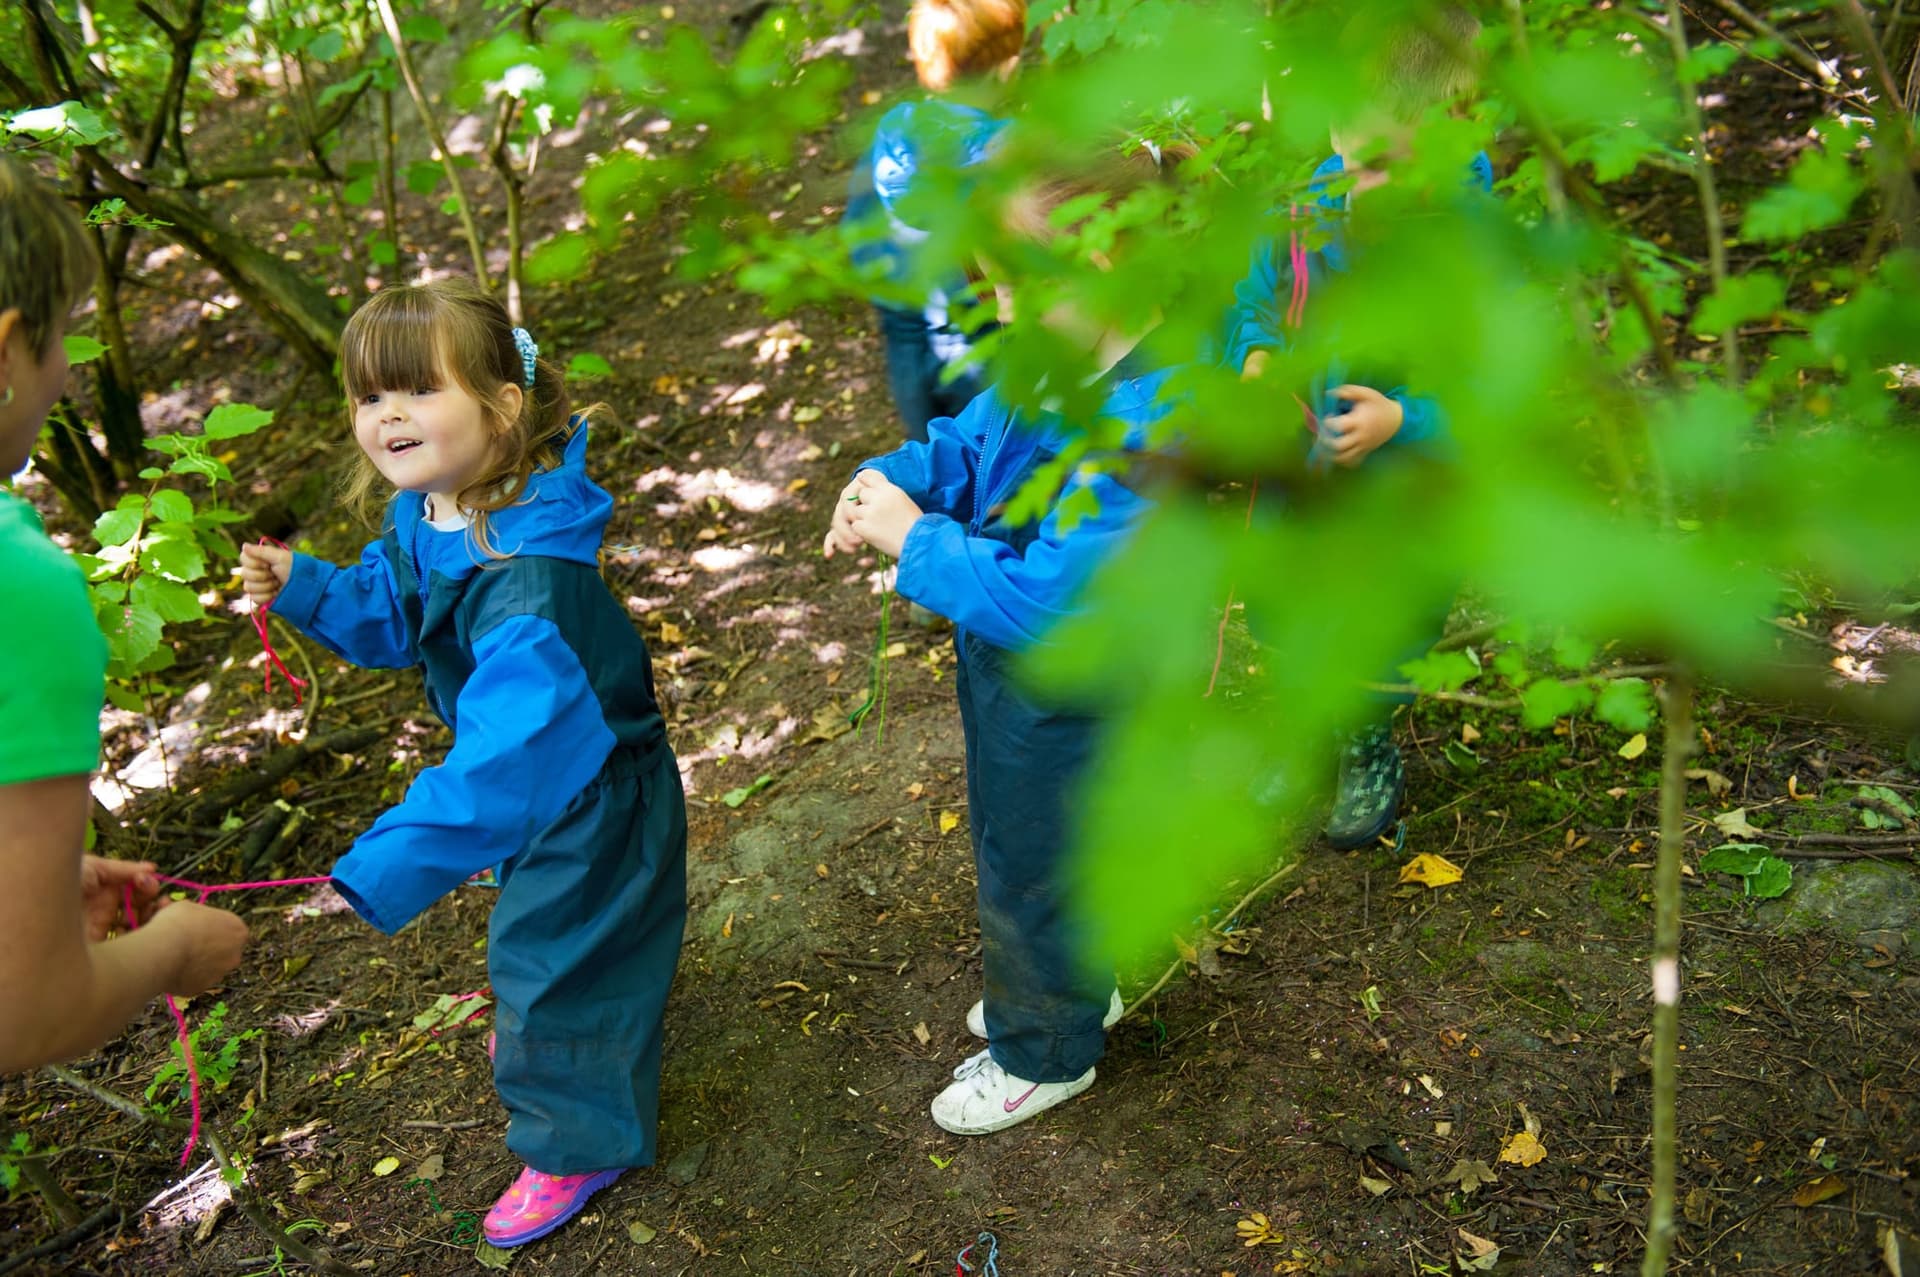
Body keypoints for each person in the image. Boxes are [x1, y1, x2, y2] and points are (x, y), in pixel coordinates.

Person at [237, 279, 686, 1248]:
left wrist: (390, 856)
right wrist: (304, 583)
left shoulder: (531, 587)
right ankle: (566, 1035)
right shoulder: (433, 509)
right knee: (549, 949)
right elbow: (395, 609)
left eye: (416, 391)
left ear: (502, 405)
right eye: (369, 396)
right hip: (543, 782)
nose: (387, 414)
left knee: (548, 959)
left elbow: (502, 765)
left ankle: (578, 1138)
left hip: (585, 792)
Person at [824, 141, 1184, 1135]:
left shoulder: (1148, 423)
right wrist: (891, 477)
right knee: (1040, 841)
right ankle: (1071, 987)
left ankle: (1044, 1049)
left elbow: (1054, 599)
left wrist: (916, 542)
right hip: (1016, 675)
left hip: (1073, 683)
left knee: (1034, 855)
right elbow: (969, 439)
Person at [0, 152, 250, 1075]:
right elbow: (22, 1019)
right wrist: (172, 954)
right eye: (62, 334)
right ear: (3, 351)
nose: (67, 365)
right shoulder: (17, 588)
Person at [1221, 5, 1489, 850]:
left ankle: (1365, 734)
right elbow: (1249, 300)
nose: (1363, 184)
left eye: (1391, 166)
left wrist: (1407, 419)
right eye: (1354, 152)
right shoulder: (1307, 204)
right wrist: (1257, 354)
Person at [842, 0, 1024, 443]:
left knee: (924, 429)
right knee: (984, 443)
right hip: (974, 327)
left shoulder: (892, 130)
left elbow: (858, 224)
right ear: (1008, 65)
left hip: (903, 313)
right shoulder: (1005, 150)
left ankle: (924, 472)